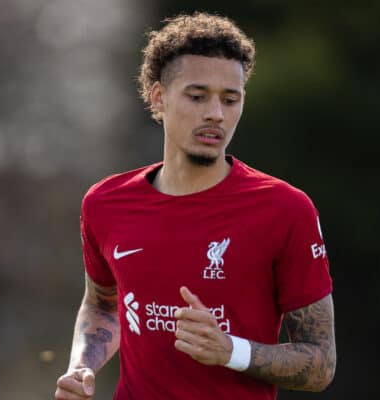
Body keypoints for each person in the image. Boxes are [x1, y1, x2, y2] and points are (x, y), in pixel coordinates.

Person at [55, 12, 336, 400]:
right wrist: (81, 366)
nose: (215, 114)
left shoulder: (286, 210)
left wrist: (231, 351)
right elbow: (103, 306)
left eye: (230, 99)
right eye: (198, 95)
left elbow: (320, 363)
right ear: (159, 97)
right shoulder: (105, 203)